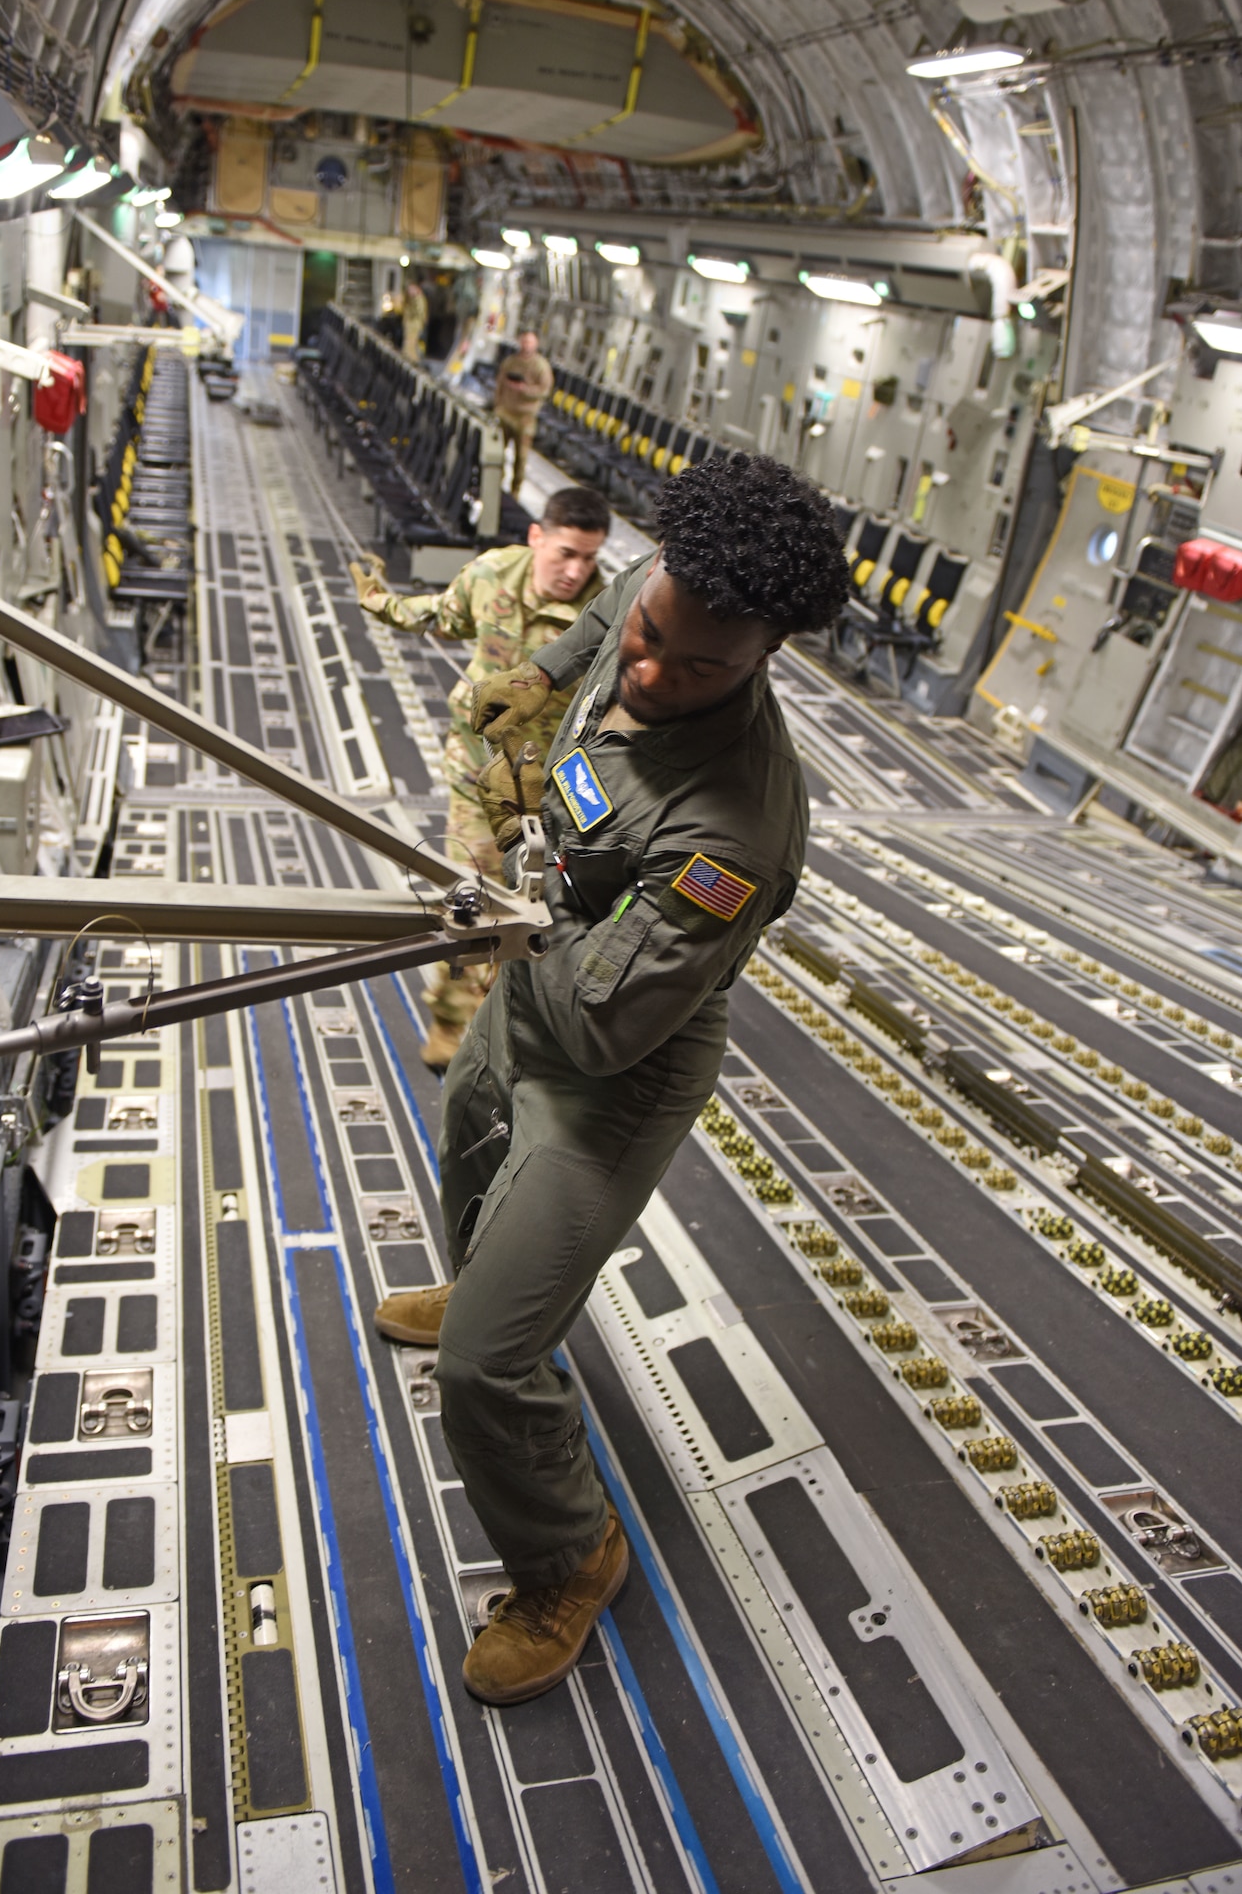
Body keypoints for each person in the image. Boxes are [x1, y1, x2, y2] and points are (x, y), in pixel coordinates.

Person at [371, 455, 850, 1707]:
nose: (646, 673)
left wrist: (513, 911)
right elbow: (602, 619)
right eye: (647, 638)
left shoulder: (729, 829)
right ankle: (485, 1278)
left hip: (612, 1058)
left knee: (481, 1364)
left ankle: (568, 1560)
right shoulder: (658, 585)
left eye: (695, 669)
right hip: (540, 966)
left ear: (763, 661)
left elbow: (598, 1025)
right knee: (464, 1123)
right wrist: (542, 674)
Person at [349, 486, 612, 1068]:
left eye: (590, 559)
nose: (576, 571)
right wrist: (379, 601)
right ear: (536, 537)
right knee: (470, 891)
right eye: (566, 553)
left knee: (536, 906)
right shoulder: (490, 574)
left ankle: (503, 1016)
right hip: (476, 770)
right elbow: (441, 615)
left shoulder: (603, 615)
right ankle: (451, 1022)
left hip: (552, 790)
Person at [493, 332, 554, 494]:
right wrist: (497, 406)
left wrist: (525, 390)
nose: (526, 345)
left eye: (530, 343)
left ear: (536, 345)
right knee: (498, 453)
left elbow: (544, 391)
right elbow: (499, 384)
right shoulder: (510, 362)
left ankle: (515, 491)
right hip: (505, 414)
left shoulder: (541, 366)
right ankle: (496, 486)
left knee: (521, 458)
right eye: (524, 342)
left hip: (525, 418)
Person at [402, 279, 428, 363]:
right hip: (410, 324)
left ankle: (412, 360)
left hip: (414, 324)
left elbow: (419, 311)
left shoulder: (419, 299)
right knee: (408, 343)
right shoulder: (411, 299)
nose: (410, 291)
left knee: (410, 344)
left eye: (412, 289)